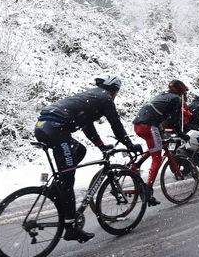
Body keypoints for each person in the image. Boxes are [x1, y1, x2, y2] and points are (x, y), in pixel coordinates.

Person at [34, 75, 141, 243]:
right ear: (114, 90)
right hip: (55, 129)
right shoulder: (105, 98)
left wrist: (100, 145)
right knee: (68, 179)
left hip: (44, 126)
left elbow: (87, 125)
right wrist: (129, 144)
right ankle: (70, 228)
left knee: (79, 151)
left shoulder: (92, 96)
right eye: (116, 92)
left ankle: (56, 189)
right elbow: (116, 124)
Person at [132, 79, 190, 207]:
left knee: (155, 147)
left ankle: (136, 165)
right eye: (184, 92)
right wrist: (181, 134)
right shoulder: (176, 99)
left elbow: (158, 114)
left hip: (138, 124)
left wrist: (162, 131)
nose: (184, 95)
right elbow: (174, 120)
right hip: (149, 125)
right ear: (180, 90)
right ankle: (148, 190)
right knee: (157, 158)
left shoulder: (163, 95)